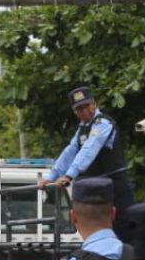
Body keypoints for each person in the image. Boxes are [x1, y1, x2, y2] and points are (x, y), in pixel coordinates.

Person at [37, 85, 135, 237]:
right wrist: (51, 176)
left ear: (94, 104)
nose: (84, 111)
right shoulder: (82, 128)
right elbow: (69, 152)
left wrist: (69, 175)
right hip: (98, 187)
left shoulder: (103, 124)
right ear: (75, 112)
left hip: (116, 187)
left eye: (86, 106)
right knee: (98, 231)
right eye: (79, 109)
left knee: (124, 232)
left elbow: (89, 149)